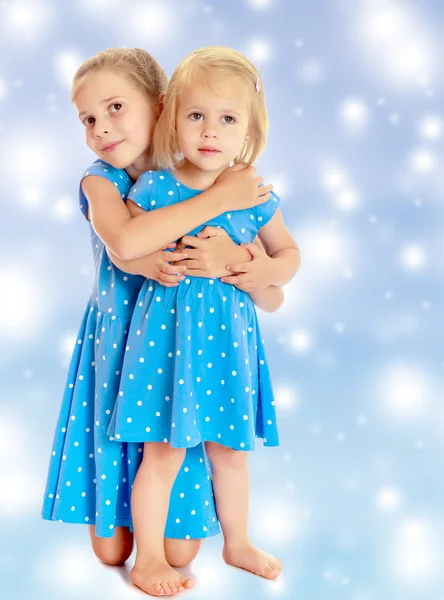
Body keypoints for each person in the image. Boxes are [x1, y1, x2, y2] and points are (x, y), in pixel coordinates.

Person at [41, 47, 275, 593]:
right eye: (88, 119)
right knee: (108, 552)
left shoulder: (200, 175)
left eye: (116, 108)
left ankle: (184, 541)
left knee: (181, 546)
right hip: (117, 348)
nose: (102, 128)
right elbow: (125, 242)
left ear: (161, 106)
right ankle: (131, 537)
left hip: (180, 357)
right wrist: (220, 196)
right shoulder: (105, 182)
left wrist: (237, 261)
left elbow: (273, 295)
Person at [108, 46, 301, 596]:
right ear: (174, 119)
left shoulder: (255, 196)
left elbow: (288, 257)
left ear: (248, 130)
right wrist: (154, 260)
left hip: (228, 349)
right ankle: (148, 560)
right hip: (166, 348)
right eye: (196, 116)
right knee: (161, 455)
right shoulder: (157, 189)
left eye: (227, 118)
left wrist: (256, 266)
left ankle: (237, 541)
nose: (210, 131)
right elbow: (127, 249)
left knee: (231, 454)